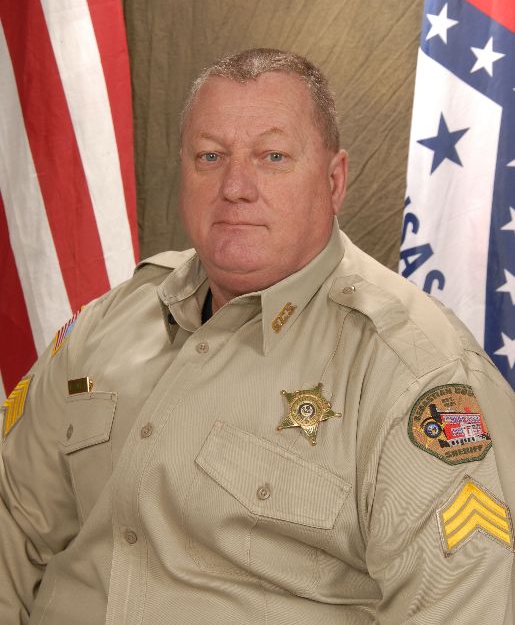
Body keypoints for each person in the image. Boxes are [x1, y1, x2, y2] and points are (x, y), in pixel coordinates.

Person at [1, 48, 513, 624]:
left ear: (334, 181)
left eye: (273, 157)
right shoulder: (108, 322)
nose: (236, 186)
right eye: (210, 155)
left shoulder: (413, 371)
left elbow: (461, 606)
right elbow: (11, 521)